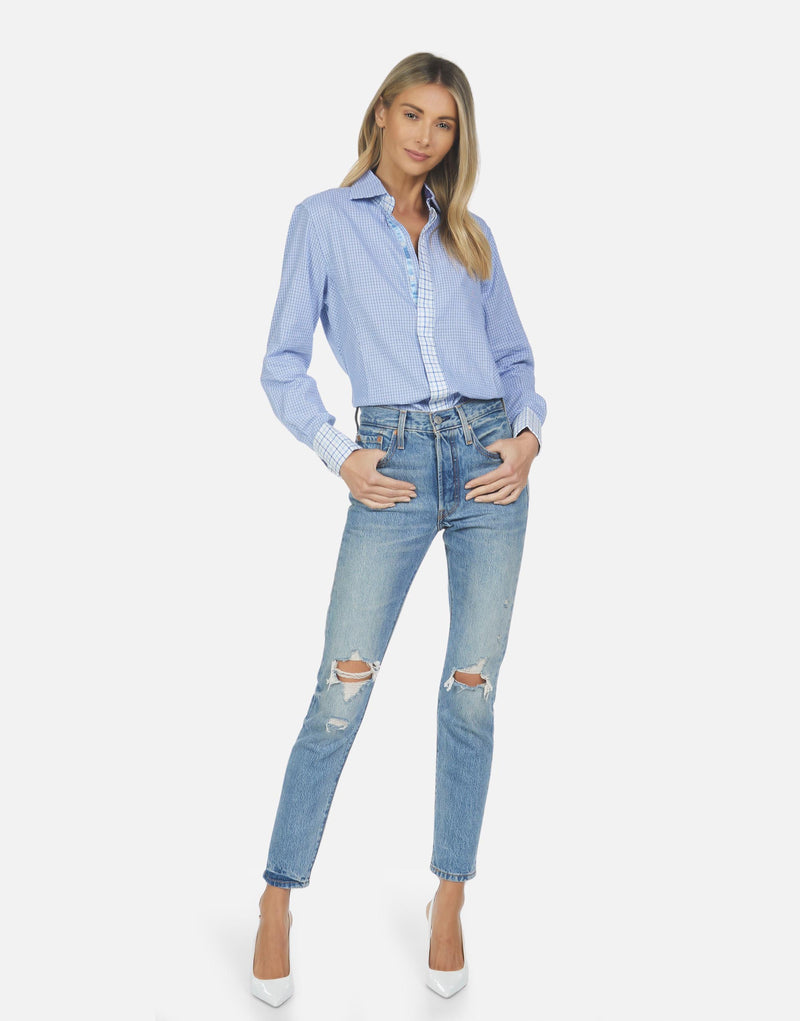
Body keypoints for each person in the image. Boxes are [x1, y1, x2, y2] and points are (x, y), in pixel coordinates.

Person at [252, 51, 546, 1005]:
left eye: (444, 122)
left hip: (490, 464)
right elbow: (282, 364)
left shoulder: (471, 234)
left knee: (472, 690)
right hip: (392, 464)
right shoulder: (322, 222)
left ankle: (449, 895)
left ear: (459, 136)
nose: (426, 135)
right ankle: (277, 896)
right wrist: (339, 452)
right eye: (412, 114)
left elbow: (513, 355)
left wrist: (528, 436)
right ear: (381, 114)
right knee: (341, 690)